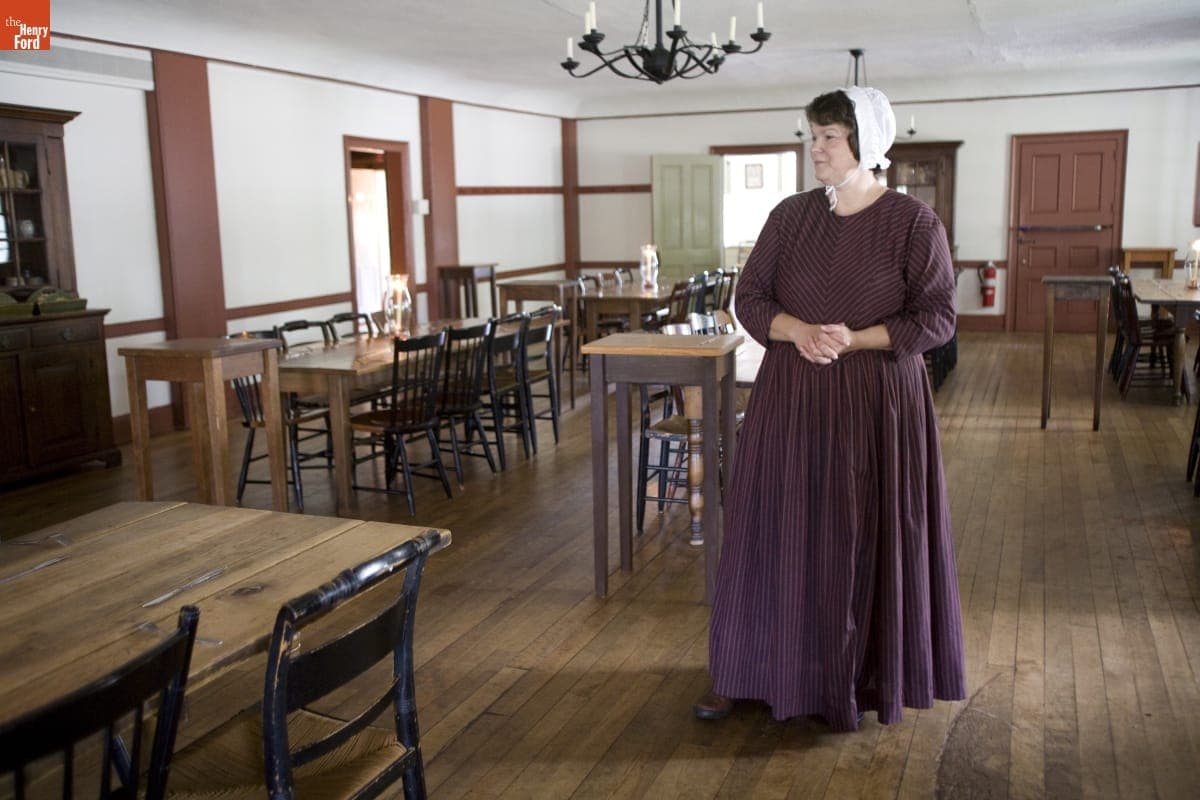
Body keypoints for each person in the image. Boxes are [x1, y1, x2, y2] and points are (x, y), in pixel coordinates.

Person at [693, 86, 967, 731]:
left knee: (859, 535)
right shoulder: (790, 217)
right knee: (774, 531)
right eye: (810, 136)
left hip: (875, 406)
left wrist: (852, 338)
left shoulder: (913, 223)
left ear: (864, 145)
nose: (813, 149)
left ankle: (857, 676)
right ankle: (748, 671)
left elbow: (937, 318)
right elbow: (751, 297)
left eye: (828, 138)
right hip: (791, 398)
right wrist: (797, 331)